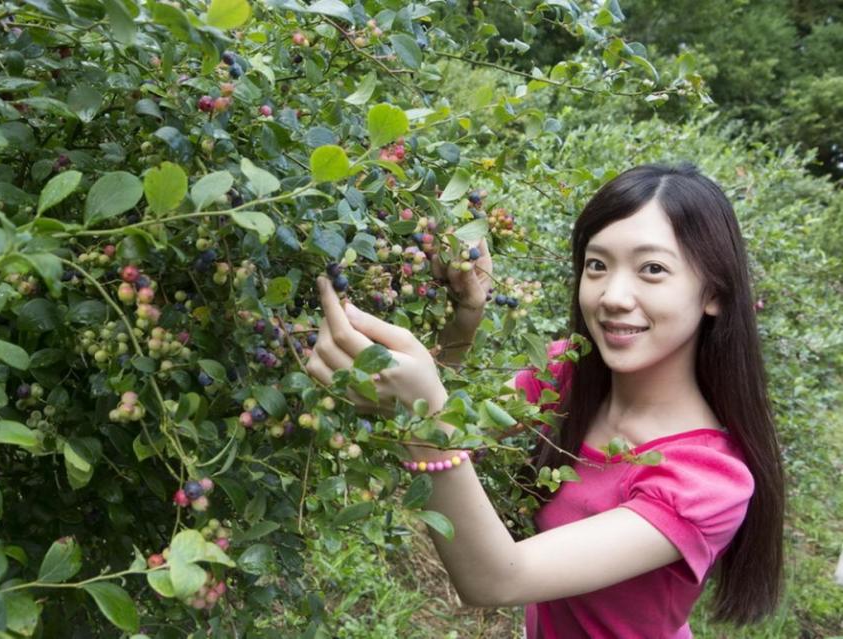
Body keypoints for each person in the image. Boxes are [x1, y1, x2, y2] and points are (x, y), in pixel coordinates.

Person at [305, 163, 785, 638]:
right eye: (597, 265)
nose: (614, 296)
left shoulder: (706, 479)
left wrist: (426, 411)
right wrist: (463, 323)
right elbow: (457, 425)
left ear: (714, 293)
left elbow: (496, 577)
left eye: (653, 269)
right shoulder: (566, 376)